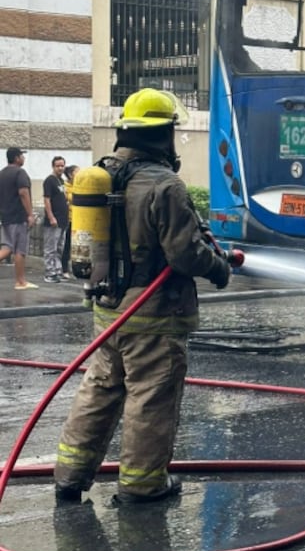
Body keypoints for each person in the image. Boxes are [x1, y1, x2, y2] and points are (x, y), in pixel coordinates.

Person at [53, 89, 231, 505]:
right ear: (163, 135)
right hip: (152, 315)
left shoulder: (102, 174)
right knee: (151, 396)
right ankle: (142, 484)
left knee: (100, 389)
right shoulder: (164, 186)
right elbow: (185, 253)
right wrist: (219, 268)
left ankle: (69, 475)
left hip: (108, 309)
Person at [0, 147, 39, 290]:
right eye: (22, 155)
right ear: (16, 158)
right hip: (18, 217)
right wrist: (30, 214)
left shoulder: (2, 173)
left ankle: (21, 281)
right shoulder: (20, 172)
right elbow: (23, 192)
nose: (23, 158)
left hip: (6, 217)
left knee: (7, 247)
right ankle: (21, 281)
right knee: (19, 250)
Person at [42, 155, 69, 283]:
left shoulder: (61, 181)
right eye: (58, 166)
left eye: (62, 166)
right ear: (53, 166)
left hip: (63, 220)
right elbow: (47, 199)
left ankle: (58, 271)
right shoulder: (49, 181)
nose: (60, 168)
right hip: (54, 220)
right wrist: (51, 216)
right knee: (50, 248)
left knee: (59, 248)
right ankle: (49, 272)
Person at [61, 164, 80, 277]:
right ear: (70, 174)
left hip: (80, 219)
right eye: (77, 172)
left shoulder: (80, 185)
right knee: (67, 245)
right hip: (70, 219)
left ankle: (76, 268)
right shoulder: (65, 186)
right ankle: (64, 269)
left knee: (78, 246)